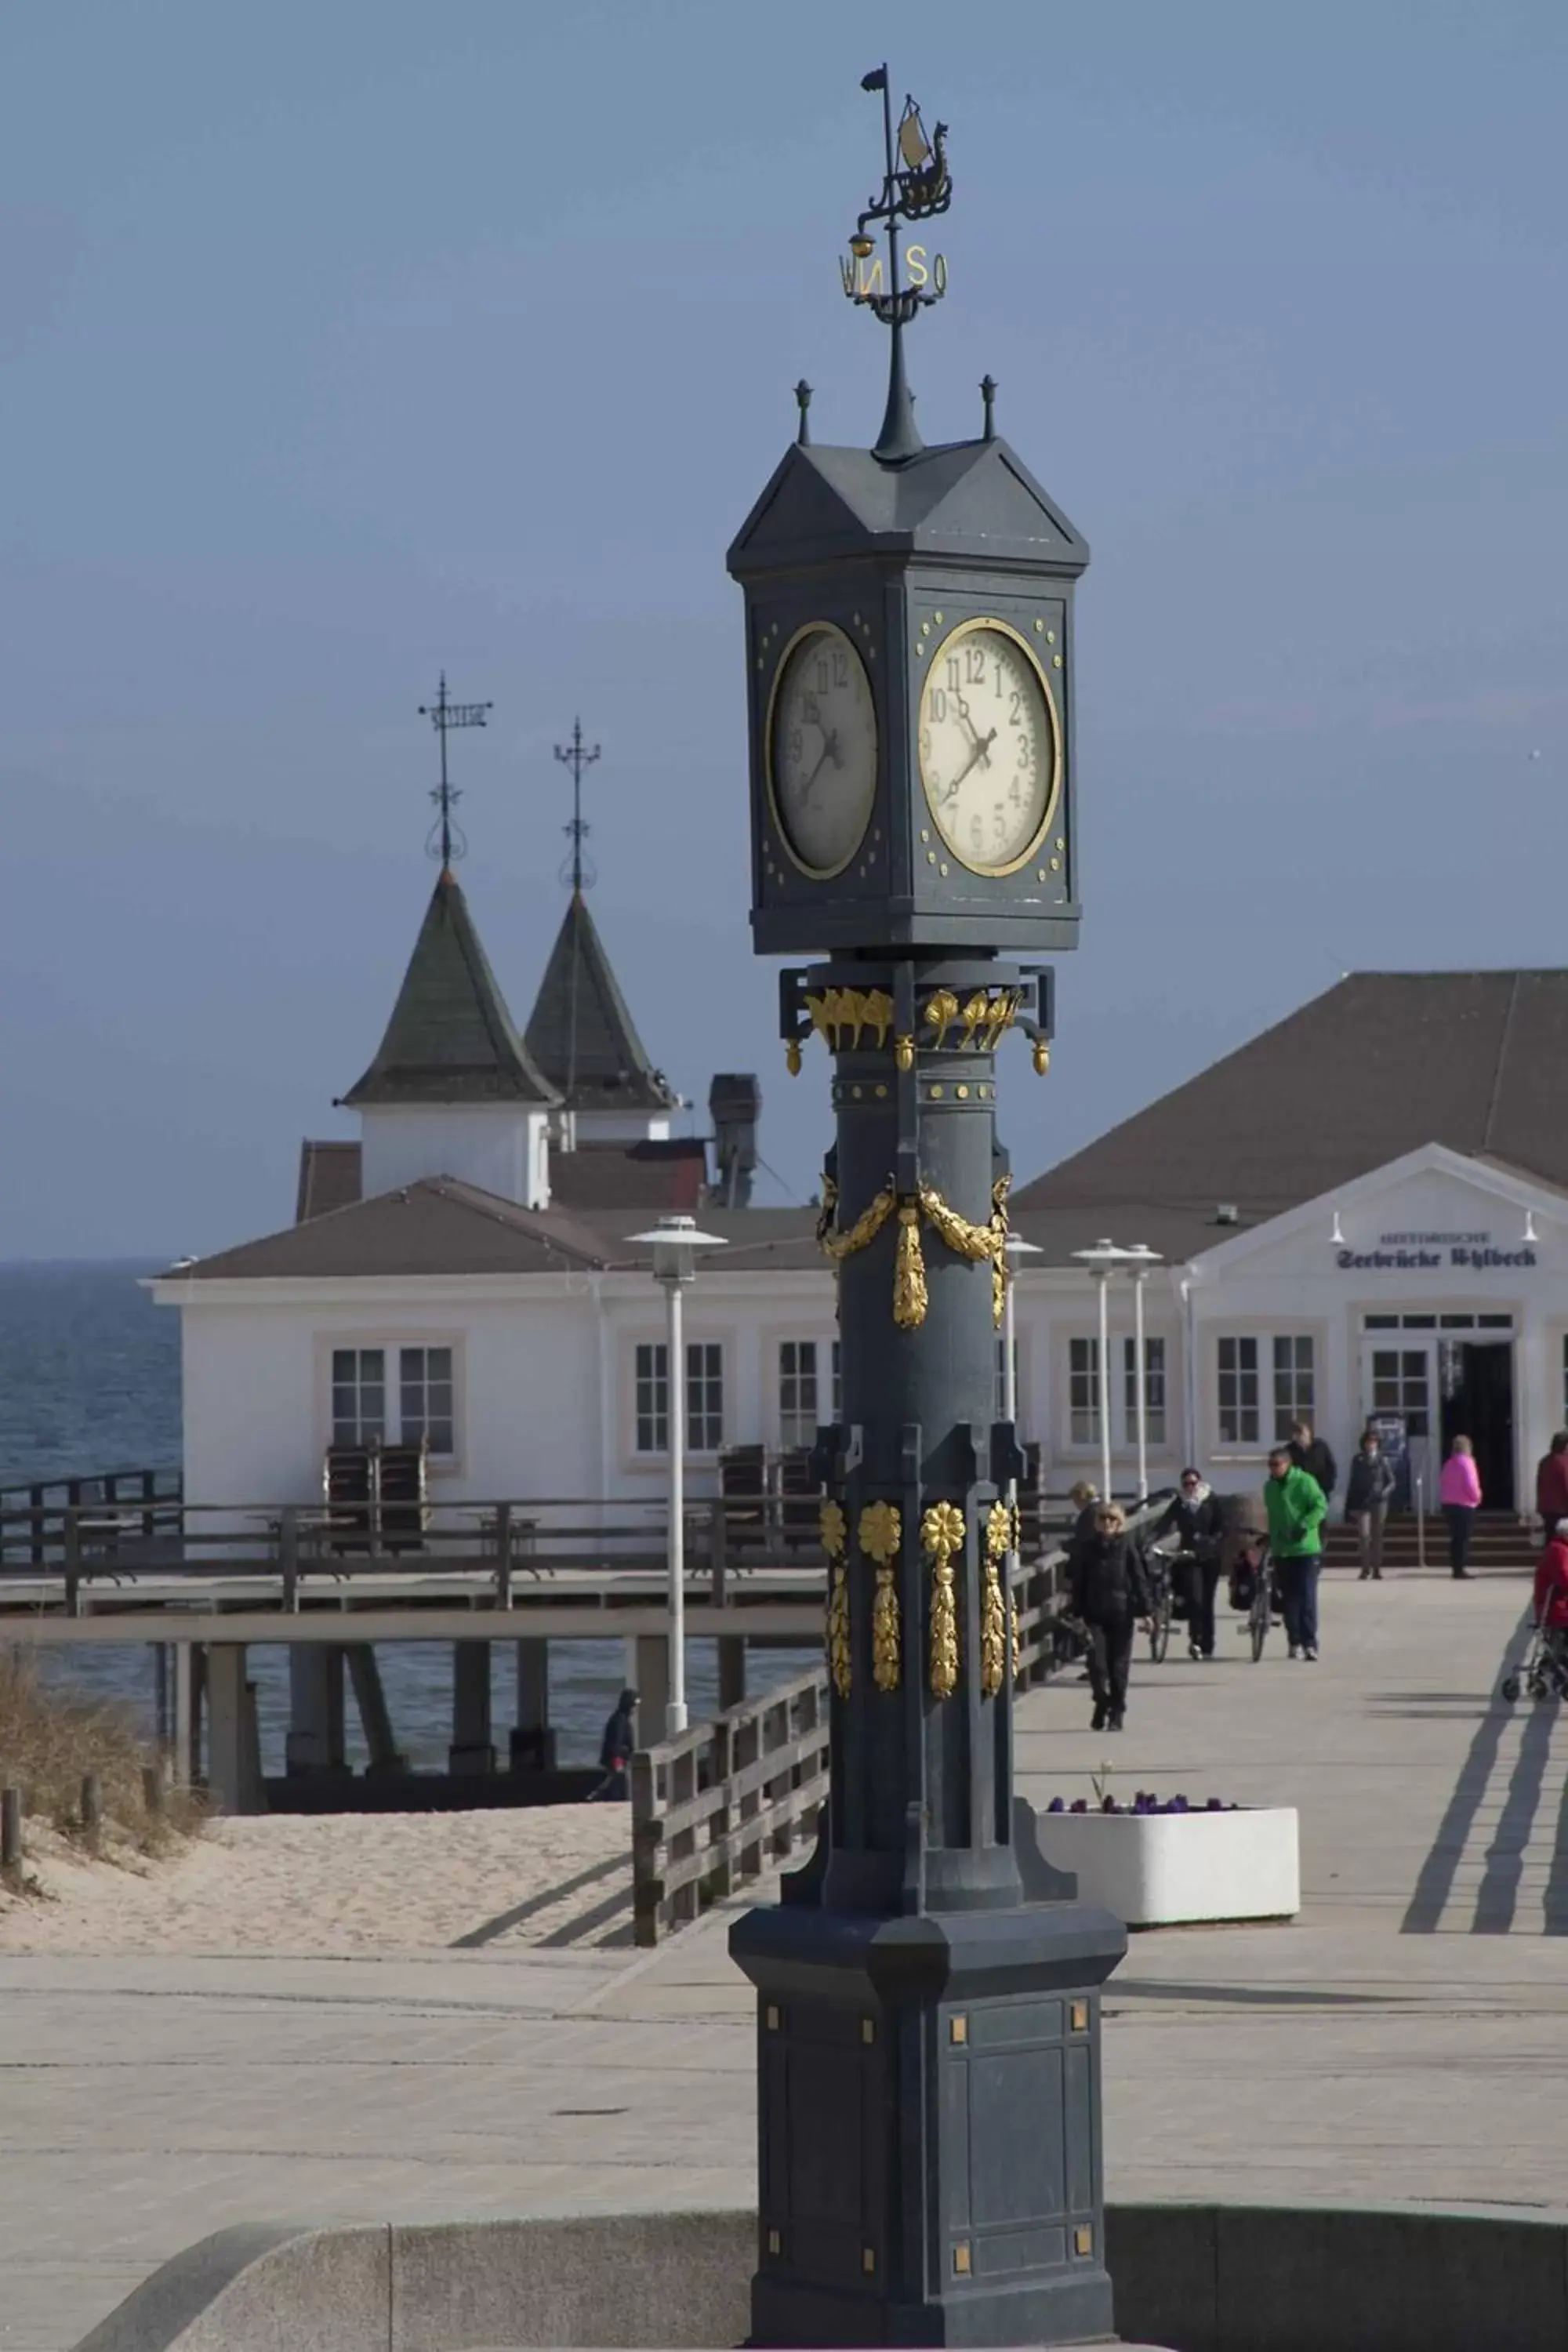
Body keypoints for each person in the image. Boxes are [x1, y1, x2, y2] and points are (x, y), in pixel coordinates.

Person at [1067, 1501, 1152, 1732]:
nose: (1107, 1524)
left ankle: (1117, 1711)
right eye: (1103, 1519)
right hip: (1094, 1614)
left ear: (1119, 1523)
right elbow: (1079, 1583)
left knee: (1118, 1668)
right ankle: (1101, 1701)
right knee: (1097, 1665)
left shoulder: (1127, 1547)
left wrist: (1146, 1613)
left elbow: (1139, 1579)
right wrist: (1076, 1614)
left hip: (1122, 1613)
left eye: (1112, 1520)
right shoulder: (1087, 1548)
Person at [1152, 1468, 1225, 1660]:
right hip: (1189, 1556)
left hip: (1210, 1557)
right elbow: (1164, 1523)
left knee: (1207, 1602)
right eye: (1186, 1484)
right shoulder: (1180, 1503)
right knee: (1196, 1599)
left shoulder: (1211, 1500)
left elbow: (1221, 1526)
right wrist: (1149, 1540)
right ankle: (1196, 1641)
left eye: (1193, 1483)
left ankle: (1208, 1644)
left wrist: (1212, 1540)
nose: (1190, 1488)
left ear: (1200, 1483)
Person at [1263, 1445, 1327, 1661]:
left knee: (1307, 1596)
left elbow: (1320, 1506)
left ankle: (1310, 1643)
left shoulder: (1305, 1481)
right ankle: (1294, 1641)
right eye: (1270, 1465)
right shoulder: (1269, 1488)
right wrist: (1270, 1541)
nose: (1273, 1469)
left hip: (1306, 1549)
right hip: (1283, 1550)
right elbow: (1273, 1518)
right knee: (1289, 1600)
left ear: (1287, 1464)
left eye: (1277, 1465)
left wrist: (1305, 1525)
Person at [1345, 1428, 1397, 1581]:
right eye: (1369, 1441)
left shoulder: (1383, 1460)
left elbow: (1392, 1481)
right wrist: (1350, 1504)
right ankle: (1365, 1568)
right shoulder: (1358, 1460)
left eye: (1374, 1442)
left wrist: (1384, 1493)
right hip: (1362, 1501)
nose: (1371, 1444)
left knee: (1377, 1535)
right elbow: (1353, 1482)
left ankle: (1377, 1569)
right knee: (1364, 1535)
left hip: (1379, 1502)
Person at [1439, 1437, 1482, 1577]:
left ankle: (1455, 1567)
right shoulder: (1467, 1462)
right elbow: (1471, 1483)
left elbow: (1443, 1482)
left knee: (1455, 1538)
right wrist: (1477, 1497)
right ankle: (1460, 1568)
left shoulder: (1448, 1464)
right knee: (1464, 1538)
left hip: (1449, 1504)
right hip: (1464, 1505)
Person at [587, 1687, 638, 1800]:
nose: (636, 1708)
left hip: (620, 1761)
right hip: (616, 1761)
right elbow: (615, 1744)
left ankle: (596, 1798)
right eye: (634, 1705)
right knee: (618, 1788)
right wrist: (618, 1762)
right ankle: (594, 1798)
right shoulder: (619, 1721)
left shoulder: (623, 1719)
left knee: (613, 1786)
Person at [1289, 1420, 1338, 1512]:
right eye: (1297, 1434)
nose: (1300, 1437)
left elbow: (1331, 1467)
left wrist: (1327, 1487)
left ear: (1309, 1432)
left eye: (1302, 1433)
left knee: (1320, 1520)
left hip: (1320, 1492)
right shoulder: (1290, 1450)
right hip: (1299, 1495)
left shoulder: (1321, 1447)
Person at [1536, 1433, 1568, 1537]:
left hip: (1547, 1509)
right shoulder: (1564, 1462)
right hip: (1562, 1509)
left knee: (1550, 1538)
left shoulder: (1544, 1462)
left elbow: (1539, 1485)